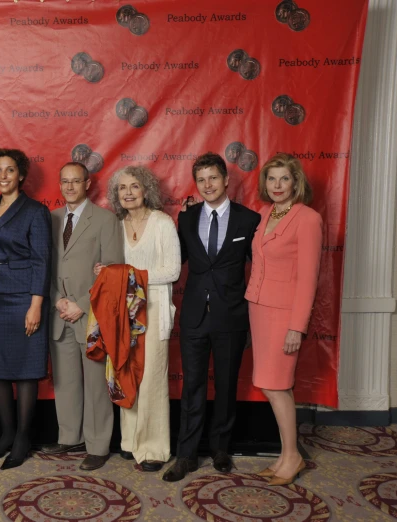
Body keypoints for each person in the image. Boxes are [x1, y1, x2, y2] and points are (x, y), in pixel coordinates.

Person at [162, 153, 261, 482]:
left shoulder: (248, 220)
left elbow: (260, 268)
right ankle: (186, 455)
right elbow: (176, 262)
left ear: (226, 180)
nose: (207, 185)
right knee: (191, 387)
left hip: (231, 316)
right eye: (201, 179)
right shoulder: (186, 218)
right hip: (193, 315)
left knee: (226, 384)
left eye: (213, 178)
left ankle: (220, 449)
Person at [96, 165, 181, 471]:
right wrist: (105, 274)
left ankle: (154, 449)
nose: (128, 192)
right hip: (123, 315)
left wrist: (126, 276)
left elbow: (173, 271)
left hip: (154, 312)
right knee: (125, 373)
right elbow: (112, 271)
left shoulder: (162, 223)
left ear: (147, 191)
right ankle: (131, 442)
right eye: (122, 188)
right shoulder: (116, 225)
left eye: (134, 186)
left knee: (152, 382)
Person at [246, 153, 322, 486]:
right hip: (259, 306)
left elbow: (308, 279)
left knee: (277, 386)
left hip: (283, 314)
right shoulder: (266, 213)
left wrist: (297, 326)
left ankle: (292, 456)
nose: (277, 186)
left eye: (284, 179)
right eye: (271, 179)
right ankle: (284, 455)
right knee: (271, 385)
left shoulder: (308, 219)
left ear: (296, 182)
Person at [0, 148, 52, 470]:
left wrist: (36, 305)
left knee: (25, 370)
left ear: (21, 175)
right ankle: (6, 434)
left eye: (10, 170)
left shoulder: (35, 211)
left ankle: (22, 437)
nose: (3, 176)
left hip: (23, 299)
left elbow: (42, 261)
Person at [42, 162, 123, 471]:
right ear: (60, 185)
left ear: (87, 183)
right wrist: (57, 300)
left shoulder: (105, 220)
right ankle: (69, 436)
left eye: (76, 181)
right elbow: (44, 266)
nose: (70, 186)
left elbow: (113, 270)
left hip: (90, 315)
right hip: (58, 313)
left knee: (94, 385)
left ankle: (98, 444)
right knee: (65, 382)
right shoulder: (49, 220)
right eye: (65, 181)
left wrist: (82, 304)